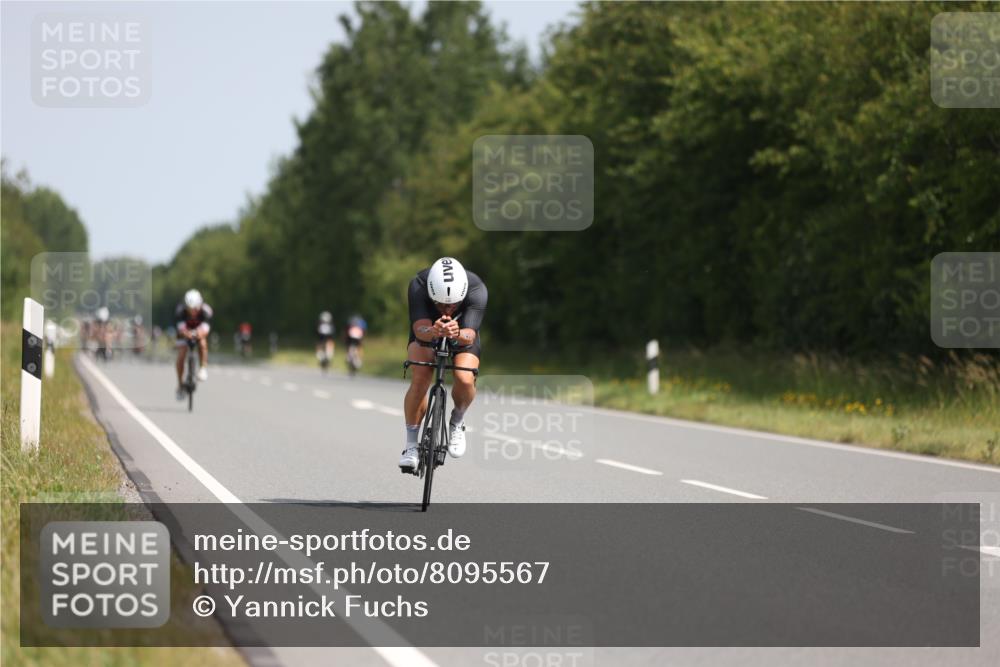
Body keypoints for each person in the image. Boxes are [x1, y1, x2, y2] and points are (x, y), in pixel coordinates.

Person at [399, 257, 487, 470]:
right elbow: (419, 328)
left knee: (465, 377)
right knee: (420, 376)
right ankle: (411, 445)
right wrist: (432, 331)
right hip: (428, 330)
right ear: (431, 293)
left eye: (453, 305)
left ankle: (457, 420)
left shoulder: (476, 289)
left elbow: (470, 334)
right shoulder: (419, 285)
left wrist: (457, 333)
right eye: (440, 304)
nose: (447, 311)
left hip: (463, 332)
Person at [175, 289, 213, 399]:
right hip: (185, 331)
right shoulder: (180, 311)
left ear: (200, 305)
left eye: (195, 309)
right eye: (189, 309)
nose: (192, 312)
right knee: (181, 355)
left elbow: (205, 329)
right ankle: (180, 384)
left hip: (199, 330)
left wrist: (197, 335)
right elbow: (181, 329)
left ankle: (202, 368)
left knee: (202, 343)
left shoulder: (206, 311)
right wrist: (187, 334)